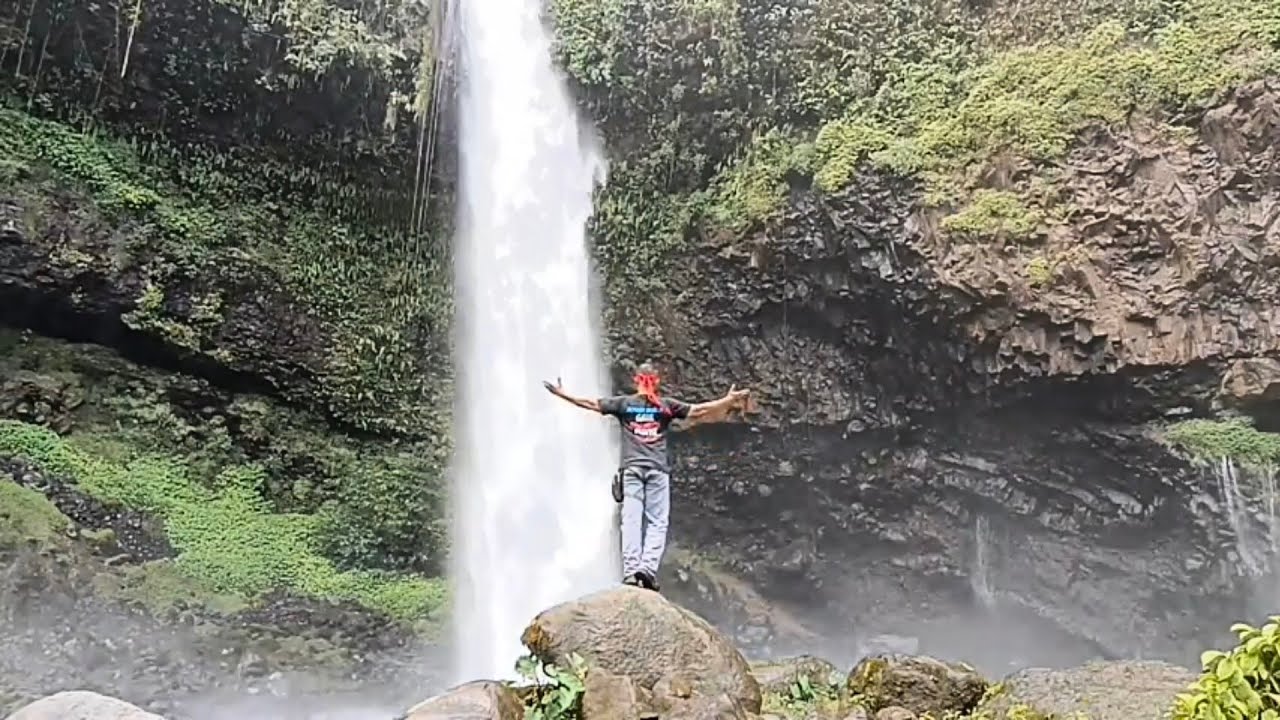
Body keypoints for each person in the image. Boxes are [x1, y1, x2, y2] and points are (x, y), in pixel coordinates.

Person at [543, 363, 750, 591]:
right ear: (657, 381)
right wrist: (728, 400)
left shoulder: (624, 404)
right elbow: (699, 411)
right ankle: (647, 569)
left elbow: (591, 404)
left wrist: (564, 395)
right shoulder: (665, 406)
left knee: (630, 521)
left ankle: (631, 572)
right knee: (657, 522)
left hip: (632, 470)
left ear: (636, 380)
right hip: (657, 471)